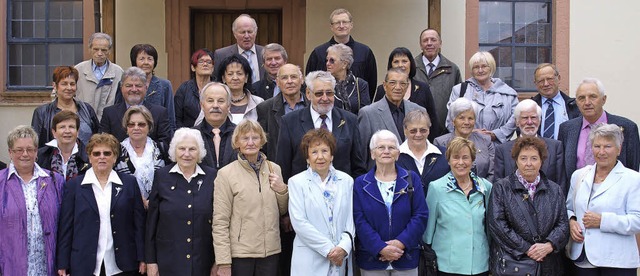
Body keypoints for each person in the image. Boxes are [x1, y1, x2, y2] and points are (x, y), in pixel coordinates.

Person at [57, 133, 145, 276]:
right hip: (85, 264)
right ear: (90, 157)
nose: (102, 157)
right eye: (96, 153)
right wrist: (63, 263)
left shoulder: (129, 183)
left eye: (107, 153)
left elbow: (139, 224)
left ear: (115, 157)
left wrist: (142, 257)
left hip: (123, 264)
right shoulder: (74, 186)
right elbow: (66, 227)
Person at [213, 119, 289, 276]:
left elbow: (282, 211)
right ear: (236, 142)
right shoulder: (226, 174)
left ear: (262, 141)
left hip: (271, 252)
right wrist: (223, 261)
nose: (250, 142)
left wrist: (282, 189)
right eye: (245, 138)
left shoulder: (274, 169)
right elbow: (220, 221)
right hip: (241, 255)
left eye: (255, 138)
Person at [488, 136, 569, 276]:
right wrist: (526, 248)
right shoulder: (501, 188)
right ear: (516, 160)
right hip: (514, 264)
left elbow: (563, 224)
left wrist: (549, 245)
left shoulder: (554, 189)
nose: (529, 164)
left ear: (542, 161)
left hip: (547, 264)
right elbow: (497, 224)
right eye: (523, 158)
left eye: (534, 158)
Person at [566, 123, 640, 275]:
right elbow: (569, 208)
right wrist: (571, 221)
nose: (601, 152)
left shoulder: (633, 179)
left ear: (619, 149)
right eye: (597, 146)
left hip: (617, 261)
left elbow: (637, 221)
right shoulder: (579, 175)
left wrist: (603, 221)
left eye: (607, 146)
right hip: (582, 259)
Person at [353, 130, 428, 275]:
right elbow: (359, 220)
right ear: (372, 153)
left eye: (391, 147)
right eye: (381, 147)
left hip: (405, 257)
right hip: (371, 259)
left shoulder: (411, 179)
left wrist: (400, 243)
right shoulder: (361, 183)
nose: (386, 151)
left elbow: (421, 215)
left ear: (398, 154)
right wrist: (380, 247)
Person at [145, 128, 217, 276]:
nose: (187, 154)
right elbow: (151, 222)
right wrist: (151, 261)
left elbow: (219, 221)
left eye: (192, 149)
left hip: (203, 261)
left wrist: (219, 261)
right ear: (174, 151)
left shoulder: (212, 176)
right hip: (169, 261)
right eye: (182, 148)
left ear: (200, 152)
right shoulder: (162, 176)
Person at [276, 70, 367, 182]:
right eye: (319, 93)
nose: (325, 98)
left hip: (341, 193)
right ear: (308, 94)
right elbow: (283, 166)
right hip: (303, 194)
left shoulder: (350, 120)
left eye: (329, 93)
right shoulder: (289, 122)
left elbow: (358, 166)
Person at [288, 128, 355, 276]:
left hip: (340, 259)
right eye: (314, 152)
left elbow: (350, 220)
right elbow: (299, 222)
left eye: (324, 151)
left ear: (331, 155)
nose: (320, 157)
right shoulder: (296, 182)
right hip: (310, 260)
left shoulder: (347, 181)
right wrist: (329, 250)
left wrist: (343, 248)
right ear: (307, 158)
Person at [0, 125, 64, 276]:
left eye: (30, 149)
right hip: (10, 266)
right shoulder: (1, 182)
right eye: (19, 150)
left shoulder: (55, 181)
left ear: (36, 152)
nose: (25, 154)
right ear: (10, 152)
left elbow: (64, 226)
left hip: (47, 266)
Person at [425, 136, 492, 275]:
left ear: (473, 160)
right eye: (455, 157)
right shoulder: (436, 188)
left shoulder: (485, 187)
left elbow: (489, 227)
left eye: (465, 157)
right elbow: (428, 233)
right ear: (448, 160)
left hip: (479, 264)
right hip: (448, 265)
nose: (460, 162)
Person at [558, 78, 640, 184]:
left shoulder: (626, 128)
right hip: (578, 194)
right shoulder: (567, 129)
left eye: (593, 97)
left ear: (604, 99)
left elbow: (632, 168)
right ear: (577, 102)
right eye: (581, 98)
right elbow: (563, 172)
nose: (587, 102)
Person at [358, 68, 426, 168]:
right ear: (385, 86)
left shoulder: (419, 110)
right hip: (380, 175)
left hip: (412, 176)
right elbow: (361, 154)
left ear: (407, 87)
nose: (398, 87)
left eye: (402, 83)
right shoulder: (368, 113)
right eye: (393, 83)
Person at [446, 51, 518, 144]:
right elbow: (450, 119)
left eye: (484, 66)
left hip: (497, 147)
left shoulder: (508, 93)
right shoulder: (460, 90)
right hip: (466, 146)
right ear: (472, 70)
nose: (480, 70)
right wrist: (470, 133)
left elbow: (515, 118)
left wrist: (496, 134)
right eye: (476, 67)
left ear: (491, 68)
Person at [493, 99, 565, 191]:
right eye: (525, 118)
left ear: (540, 120)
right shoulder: (502, 150)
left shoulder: (555, 147)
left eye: (534, 117)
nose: (530, 122)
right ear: (517, 122)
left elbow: (561, 185)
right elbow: (498, 187)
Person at [306, 8, 377, 98]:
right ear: (331, 27)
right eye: (337, 23)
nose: (341, 25)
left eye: (345, 22)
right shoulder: (318, 53)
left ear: (351, 25)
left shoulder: (365, 52)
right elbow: (310, 82)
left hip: (357, 107)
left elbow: (371, 84)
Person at [374, 47, 442, 140]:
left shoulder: (423, 88)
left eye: (404, 61)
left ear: (411, 64)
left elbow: (432, 119)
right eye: (396, 62)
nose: (400, 65)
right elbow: (376, 116)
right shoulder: (382, 89)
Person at [100, 67, 173, 146]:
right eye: (129, 86)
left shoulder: (160, 113)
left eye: (138, 85)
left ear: (146, 88)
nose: (134, 89)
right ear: (121, 88)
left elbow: (165, 143)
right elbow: (103, 143)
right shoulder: (109, 113)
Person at [32, 65, 99, 147]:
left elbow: (97, 139)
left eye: (72, 84)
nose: (69, 88)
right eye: (64, 84)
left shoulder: (87, 109)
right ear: (54, 86)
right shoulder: (42, 113)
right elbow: (35, 144)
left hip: (85, 158)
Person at [114, 106, 168, 208]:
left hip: (156, 208)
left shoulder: (161, 148)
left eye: (141, 124)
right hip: (126, 208)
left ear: (149, 126)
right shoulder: (117, 151)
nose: (136, 128)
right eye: (131, 124)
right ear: (126, 128)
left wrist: (152, 201)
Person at [414, 28, 462, 133]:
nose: (429, 43)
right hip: (416, 131)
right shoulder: (412, 68)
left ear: (440, 43)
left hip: (444, 132)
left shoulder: (452, 70)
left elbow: (459, 103)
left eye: (433, 40)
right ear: (420, 45)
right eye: (425, 40)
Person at [256, 63, 308, 160]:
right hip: (278, 167)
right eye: (284, 78)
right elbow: (263, 145)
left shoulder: (312, 105)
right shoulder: (264, 108)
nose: (289, 81)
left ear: (302, 80)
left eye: (294, 77)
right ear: (278, 82)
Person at [435, 97, 494, 180]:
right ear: (453, 121)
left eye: (470, 118)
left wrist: (483, 190)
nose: (466, 122)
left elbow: (492, 173)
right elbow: (438, 173)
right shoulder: (440, 143)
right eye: (461, 118)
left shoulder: (486, 141)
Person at [121, 44, 176, 130]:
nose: (146, 62)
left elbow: (170, 116)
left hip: (157, 131)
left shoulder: (164, 85)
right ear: (134, 61)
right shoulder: (124, 83)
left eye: (150, 59)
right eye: (142, 59)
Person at [397, 110, 449, 195]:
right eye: (413, 131)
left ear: (429, 130)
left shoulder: (445, 155)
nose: (418, 134)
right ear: (405, 131)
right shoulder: (394, 157)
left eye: (423, 130)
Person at [75, 32, 124, 120]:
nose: (99, 53)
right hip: (82, 121)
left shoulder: (118, 72)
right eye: (96, 49)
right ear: (90, 49)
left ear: (109, 51)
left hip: (109, 121)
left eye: (104, 50)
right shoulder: (78, 70)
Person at [37, 111, 90, 181]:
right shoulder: (41, 156)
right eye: (62, 127)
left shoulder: (89, 155)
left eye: (71, 127)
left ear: (78, 132)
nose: (67, 131)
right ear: (54, 132)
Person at [530, 63, 580, 139]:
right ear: (535, 83)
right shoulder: (530, 107)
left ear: (559, 78)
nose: (546, 84)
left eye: (550, 79)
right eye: (541, 81)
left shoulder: (574, 106)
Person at [195, 82, 237, 169]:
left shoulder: (240, 134)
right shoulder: (192, 135)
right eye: (210, 101)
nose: (215, 105)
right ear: (202, 105)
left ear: (229, 106)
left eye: (221, 101)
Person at [214, 54, 264, 124]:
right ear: (223, 78)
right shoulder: (213, 103)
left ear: (246, 78)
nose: (235, 78)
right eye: (230, 74)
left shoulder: (259, 102)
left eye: (239, 74)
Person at [214, 14, 265, 83]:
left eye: (250, 32)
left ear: (255, 32)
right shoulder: (221, 55)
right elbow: (217, 81)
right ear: (235, 34)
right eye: (242, 32)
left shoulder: (265, 53)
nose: (246, 36)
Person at [174, 48, 215, 128]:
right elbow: (176, 118)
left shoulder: (220, 88)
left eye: (209, 62)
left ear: (213, 68)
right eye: (201, 61)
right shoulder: (184, 89)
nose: (205, 64)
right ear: (193, 67)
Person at [325, 43, 370, 114]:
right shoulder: (324, 84)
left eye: (332, 60)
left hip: (355, 124)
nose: (327, 63)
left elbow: (365, 114)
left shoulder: (360, 85)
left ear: (344, 64)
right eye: (327, 60)